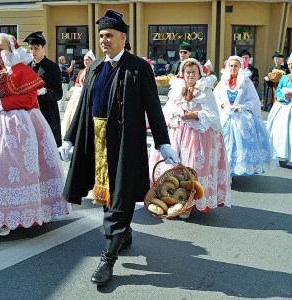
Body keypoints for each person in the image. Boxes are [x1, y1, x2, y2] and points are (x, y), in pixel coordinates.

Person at [59, 9, 179, 286]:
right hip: (96, 140)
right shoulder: (94, 68)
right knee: (104, 193)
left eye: (109, 35)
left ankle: (108, 258)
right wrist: (70, 137)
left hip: (124, 142)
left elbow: (153, 108)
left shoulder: (139, 67)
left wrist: (163, 142)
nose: (104, 40)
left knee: (120, 194)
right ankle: (122, 234)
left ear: (123, 38)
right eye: (101, 35)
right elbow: (83, 106)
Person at [0, 33, 72, 236]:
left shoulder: (21, 70)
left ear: (12, 51)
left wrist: (0, 103)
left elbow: (29, 98)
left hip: (17, 125)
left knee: (11, 166)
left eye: (3, 49)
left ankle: (12, 214)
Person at [149, 58, 231, 218]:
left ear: (200, 74)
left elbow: (214, 116)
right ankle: (172, 201)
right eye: (188, 72)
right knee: (173, 168)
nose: (191, 75)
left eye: (194, 72)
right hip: (177, 133)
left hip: (196, 137)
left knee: (192, 168)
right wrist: (178, 113)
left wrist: (197, 114)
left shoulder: (206, 91)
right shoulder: (176, 89)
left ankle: (188, 203)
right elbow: (167, 111)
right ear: (183, 73)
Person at [214, 56, 278, 177]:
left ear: (240, 67)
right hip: (225, 116)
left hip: (240, 117)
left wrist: (241, 106)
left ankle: (233, 170)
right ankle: (226, 171)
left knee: (239, 146)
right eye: (231, 66)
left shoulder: (246, 82)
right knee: (224, 144)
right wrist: (223, 105)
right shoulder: (223, 82)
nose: (233, 68)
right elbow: (215, 98)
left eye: (236, 66)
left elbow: (254, 101)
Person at [24, 31, 63, 147]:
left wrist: (44, 91)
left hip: (47, 111)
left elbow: (58, 94)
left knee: (46, 146)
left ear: (44, 48)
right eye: (31, 48)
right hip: (29, 111)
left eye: (36, 48)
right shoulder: (27, 66)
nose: (33, 52)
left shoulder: (52, 67)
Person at [61, 49, 95, 138]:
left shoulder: (94, 71)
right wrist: (77, 86)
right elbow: (77, 82)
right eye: (84, 60)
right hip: (78, 96)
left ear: (92, 60)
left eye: (87, 60)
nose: (85, 62)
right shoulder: (81, 71)